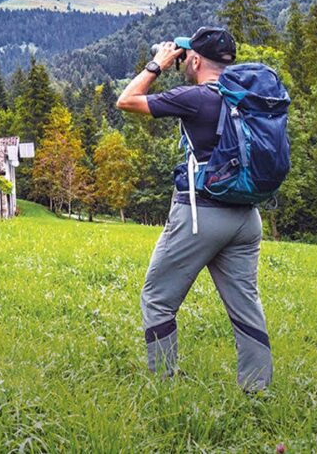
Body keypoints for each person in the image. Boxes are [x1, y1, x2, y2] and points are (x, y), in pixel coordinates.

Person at [115, 26, 272, 392]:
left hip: (202, 215)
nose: (183, 61)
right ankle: (257, 389)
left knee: (158, 298)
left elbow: (127, 100)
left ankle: (164, 384)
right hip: (247, 217)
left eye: (187, 57)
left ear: (197, 60)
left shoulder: (195, 97)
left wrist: (157, 64)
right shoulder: (246, 96)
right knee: (245, 307)